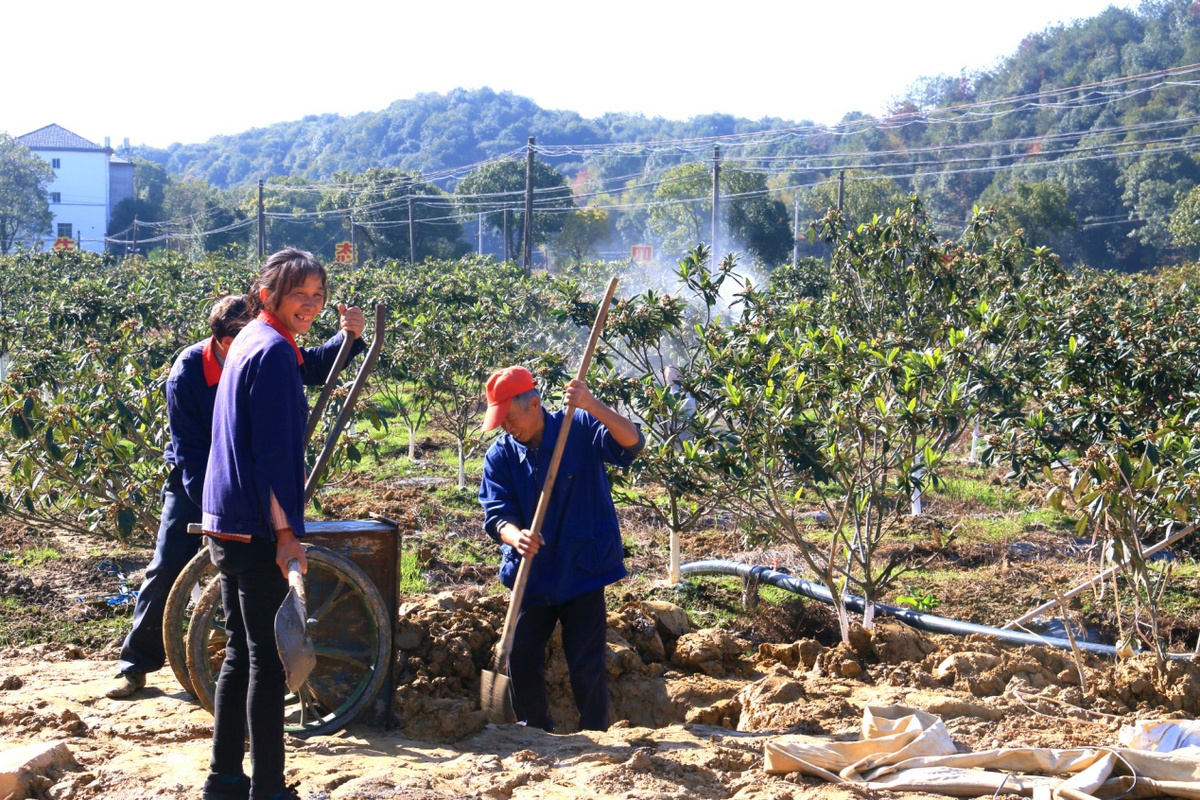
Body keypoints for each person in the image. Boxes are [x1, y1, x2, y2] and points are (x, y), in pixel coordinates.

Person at [104, 293, 365, 700]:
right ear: (225, 342)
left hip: (254, 476)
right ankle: (135, 665)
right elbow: (190, 453)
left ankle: (253, 655)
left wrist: (348, 337)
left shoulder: (267, 348)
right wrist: (215, 510)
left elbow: (311, 364)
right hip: (200, 478)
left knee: (260, 565)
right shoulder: (188, 373)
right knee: (168, 563)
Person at [200, 248, 346, 800]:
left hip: (224, 520)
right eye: (298, 295)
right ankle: (269, 788)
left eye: (317, 296)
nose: (309, 305)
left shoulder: (249, 343)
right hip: (257, 525)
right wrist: (287, 533)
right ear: (268, 297)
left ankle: (225, 778)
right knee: (267, 658)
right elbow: (274, 454)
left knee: (241, 649)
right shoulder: (277, 354)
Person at [477, 366, 644, 732]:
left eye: (511, 418)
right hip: (531, 575)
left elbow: (632, 443)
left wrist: (591, 403)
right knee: (519, 658)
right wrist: (514, 535)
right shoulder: (501, 455)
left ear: (535, 404)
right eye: (501, 421)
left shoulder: (580, 427)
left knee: (587, 662)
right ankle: (533, 732)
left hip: (582, 570)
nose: (508, 428)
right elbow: (496, 513)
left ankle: (595, 737)